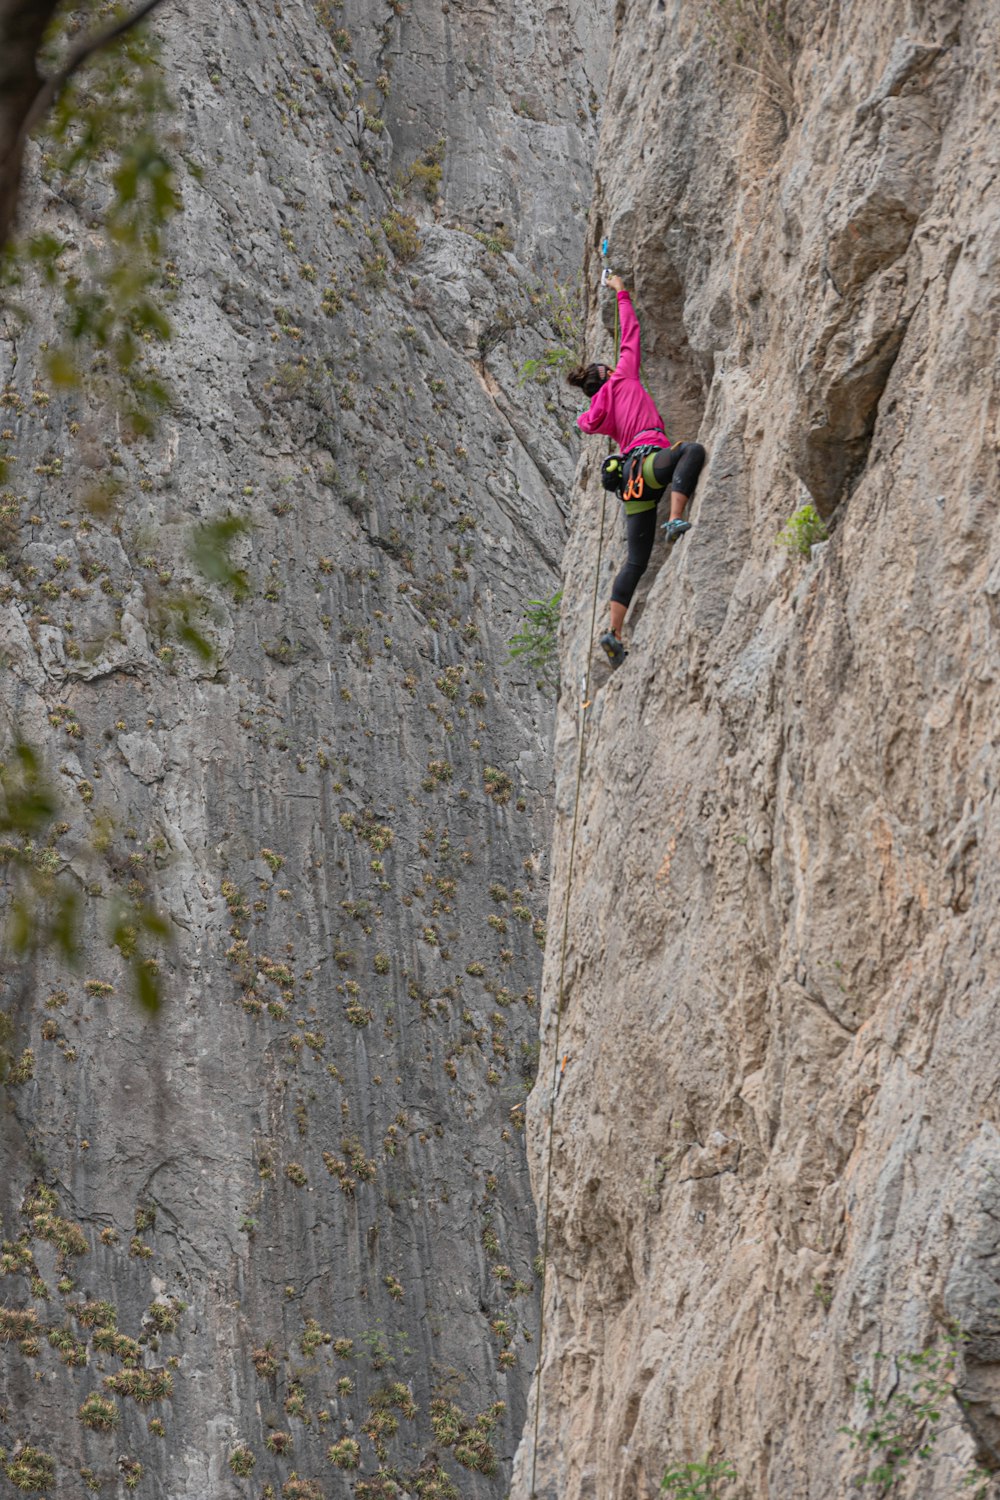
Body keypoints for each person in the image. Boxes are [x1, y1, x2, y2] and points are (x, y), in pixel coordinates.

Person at [567, 274, 705, 667]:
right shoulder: (623, 376)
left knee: (635, 562)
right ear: (608, 373)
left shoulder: (599, 413)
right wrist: (621, 290)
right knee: (690, 451)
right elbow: (631, 332)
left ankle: (613, 632)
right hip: (649, 460)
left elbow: (585, 423)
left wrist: (594, 406)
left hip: (630, 482)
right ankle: (676, 519)